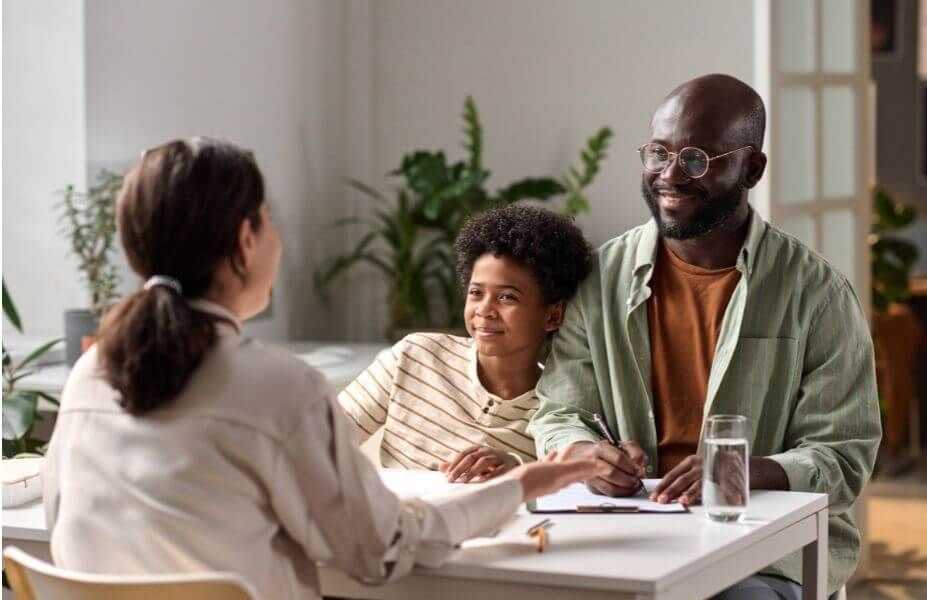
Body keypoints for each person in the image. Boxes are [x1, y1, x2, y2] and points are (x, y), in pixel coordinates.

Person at [42, 137, 597, 600]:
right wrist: (522, 485)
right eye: (268, 220)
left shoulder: (92, 370)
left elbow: (58, 524)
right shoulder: (280, 387)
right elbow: (381, 552)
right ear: (244, 241)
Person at [528, 74, 881, 598]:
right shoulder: (598, 278)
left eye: (697, 159)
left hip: (762, 553)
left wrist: (740, 470)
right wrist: (585, 452)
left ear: (751, 168)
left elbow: (844, 457)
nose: (671, 175)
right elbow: (559, 413)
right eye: (658, 154)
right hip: (623, 534)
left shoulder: (818, 293)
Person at [338, 204, 592, 483]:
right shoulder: (415, 356)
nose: (484, 309)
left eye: (507, 297)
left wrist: (515, 471)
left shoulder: (558, 415)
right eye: (476, 292)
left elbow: (562, 499)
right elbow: (321, 439)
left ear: (553, 315)